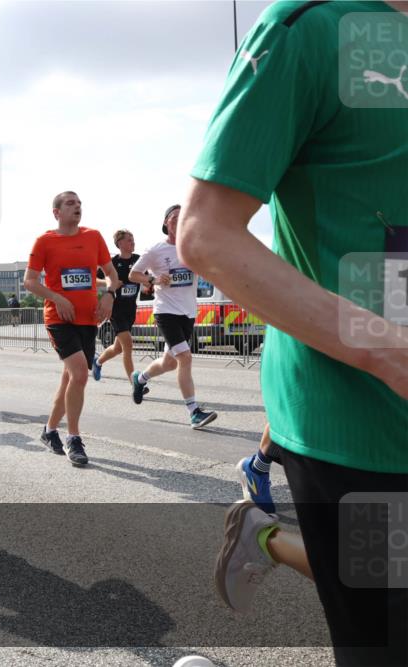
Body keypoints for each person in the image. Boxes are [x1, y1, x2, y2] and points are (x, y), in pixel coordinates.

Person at [177, 2, 408, 664]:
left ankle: (265, 534)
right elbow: (206, 234)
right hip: (364, 430)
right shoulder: (307, 28)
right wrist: (390, 352)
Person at [23, 191, 121, 467]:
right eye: (70, 203)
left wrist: (109, 295)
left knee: (70, 379)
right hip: (59, 318)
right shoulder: (45, 241)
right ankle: (73, 438)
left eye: (79, 203)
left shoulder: (94, 236)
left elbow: (112, 275)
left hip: (88, 319)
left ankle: (49, 430)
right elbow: (29, 281)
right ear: (56, 212)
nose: (77, 207)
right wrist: (57, 297)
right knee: (79, 373)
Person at [128, 205, 217, 429]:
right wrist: (154, 280)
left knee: (169, 362)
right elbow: (133, 274)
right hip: (165, 311)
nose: (179, 221)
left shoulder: (192, 248)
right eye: (174, 218)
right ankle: (194, 412)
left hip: (188, 312)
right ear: (166, 223)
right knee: (185, 358)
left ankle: (140, 379)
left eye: (183, 217)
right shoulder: (155, 250)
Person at [92, 229, 151, 384]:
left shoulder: (138, 260)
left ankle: (97, 362)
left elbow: (147, 277)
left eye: (133, 239)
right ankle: (135, 384)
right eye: (129, 239)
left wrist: (146, 283)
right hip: (116, 310)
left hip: (130, 310)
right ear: (120, 243)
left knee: (118, 348)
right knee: (128, 345)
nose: (133, 242)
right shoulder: (112, 264)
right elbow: (93, 280)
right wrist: (109, 282)